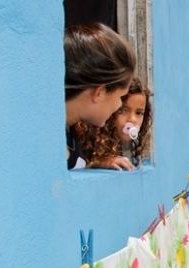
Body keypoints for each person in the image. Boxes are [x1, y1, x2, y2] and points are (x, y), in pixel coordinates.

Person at [64, 23, 136, 170]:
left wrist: (91, 165)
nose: (119, 105)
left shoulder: (70, 132)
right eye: (120, 97)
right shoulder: (47, 141)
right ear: (99, 93)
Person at [76, 77, 152, 170]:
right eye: (123, 110)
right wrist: (100, 163)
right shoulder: (87, 140)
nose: (132, 119)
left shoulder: (133, 148)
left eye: (139, 113)